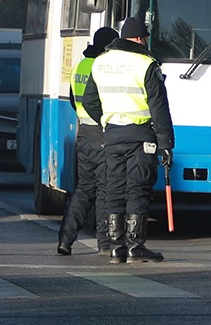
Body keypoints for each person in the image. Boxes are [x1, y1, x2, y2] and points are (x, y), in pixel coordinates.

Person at [82, 17, 174, 264]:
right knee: (137, 189)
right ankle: (135, 247)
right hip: (140, 137)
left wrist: (106, 121)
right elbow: (159, 108)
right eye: (144, 37)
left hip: (112, 135)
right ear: (140, 38)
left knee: (113, 189)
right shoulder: (146, 64)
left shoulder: (100, 63)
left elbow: (88, 100)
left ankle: (115, 247)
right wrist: (166, 145)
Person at [57, 26, 119, 257]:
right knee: (104, 190)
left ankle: (65, 239)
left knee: (83, 189)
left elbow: (75, 100)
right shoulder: (102, 68)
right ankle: (104, 242)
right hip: (101, 133)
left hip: (83, 134)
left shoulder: (80, 66)